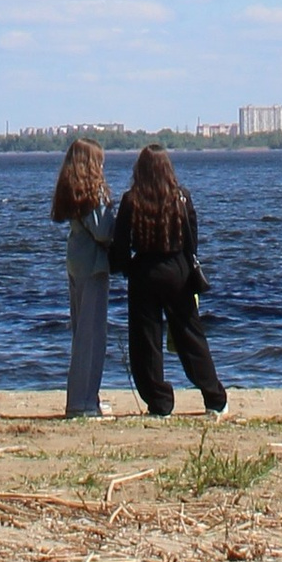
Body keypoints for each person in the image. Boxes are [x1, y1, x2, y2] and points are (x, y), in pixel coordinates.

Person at [110, 143, 227, 418]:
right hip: (178, 271)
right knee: (190, 337)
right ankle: (214, 398)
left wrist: (126, 268)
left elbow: (120, 245)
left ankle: (160, 402)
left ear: (140, 169)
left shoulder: (131, 199)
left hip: (144, 272)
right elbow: (192, 240)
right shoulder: (182, 198)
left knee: (145, 342)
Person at [52, 135, 117, 418]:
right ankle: (82, 401)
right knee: (91, 336)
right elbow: (104, 231)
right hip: (92, 266)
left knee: (81, 333)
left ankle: (86, 396)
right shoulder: (94, 194)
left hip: (76, 263)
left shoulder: (72, 191)